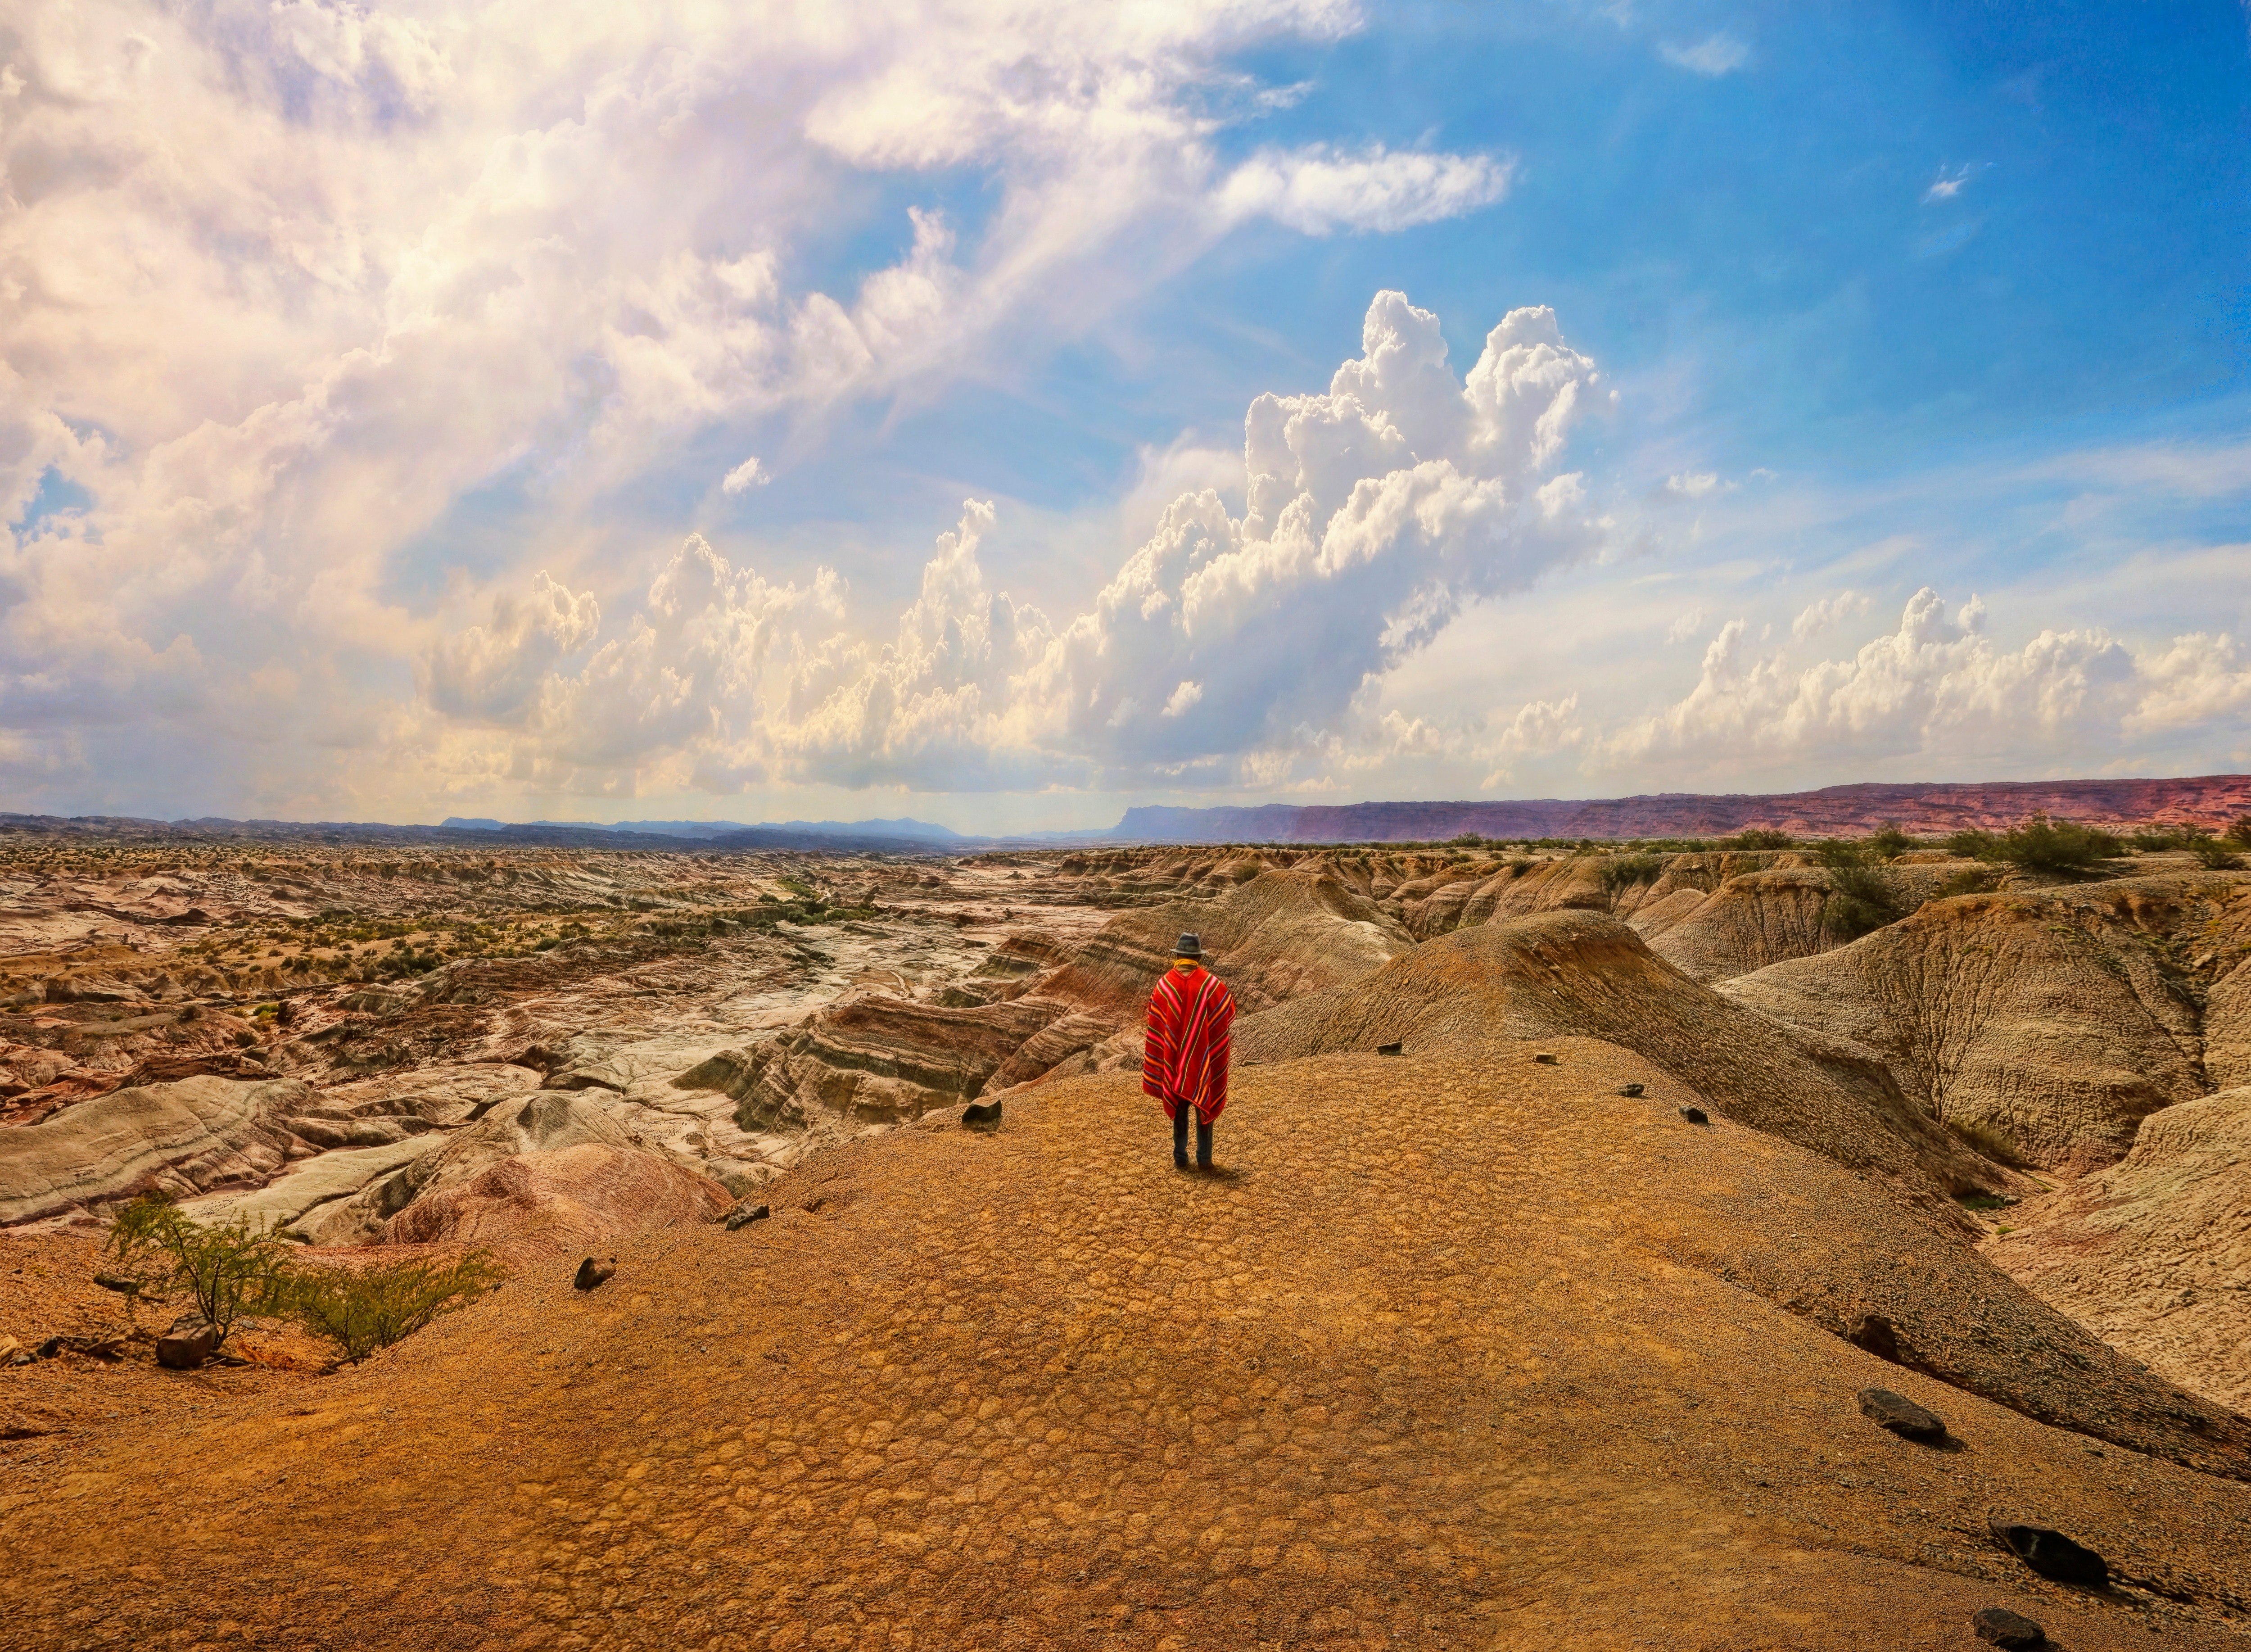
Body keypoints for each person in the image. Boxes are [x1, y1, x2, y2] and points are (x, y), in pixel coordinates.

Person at [1142, 932, 1235, 1172]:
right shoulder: (1210, 985)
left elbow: (1155, 1021)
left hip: (1174, 1063)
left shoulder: (1164, 986)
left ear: (1179, 956)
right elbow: (1228, 1010)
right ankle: (1204, 1159)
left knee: (1179, 1105)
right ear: (1197, 958)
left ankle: (1180, 1158)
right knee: (1204, 1102)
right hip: (1201, 1060)